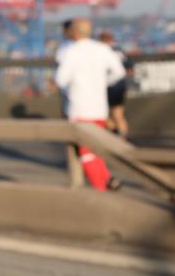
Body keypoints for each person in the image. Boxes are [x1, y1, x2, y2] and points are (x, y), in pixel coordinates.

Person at [54, 18, 126, 191]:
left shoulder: (70, 52)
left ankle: (101, 190)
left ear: (73, 32)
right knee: (94, 149)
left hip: (78, 108)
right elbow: (119, 72)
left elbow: (60, 79)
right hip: (99, 109)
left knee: (85, 154)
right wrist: (103, 82)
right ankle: (107, 179)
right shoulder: (102, 49)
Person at [99, 31, 131, 139]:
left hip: (108, 86)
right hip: (119, 86)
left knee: (106, 114)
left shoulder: (101, 52)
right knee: (117, 114)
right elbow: (129, 69)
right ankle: (122, 137)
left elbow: (125, 70)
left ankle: (118, 136)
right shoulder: (118, 51)